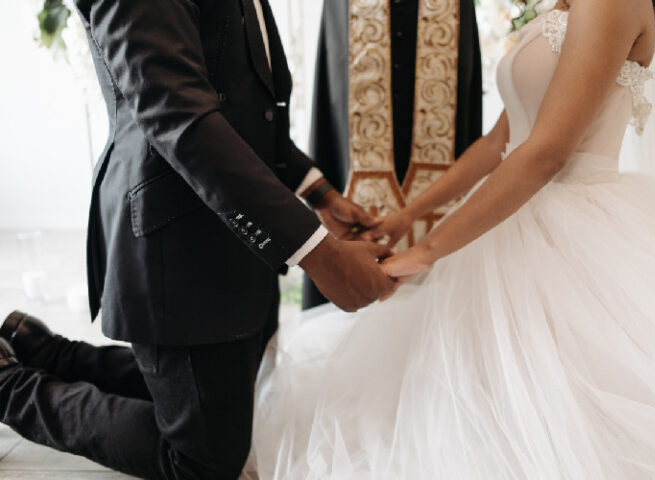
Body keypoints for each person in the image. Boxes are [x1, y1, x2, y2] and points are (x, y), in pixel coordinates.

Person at [251, 0, 655, 477]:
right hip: (513, 221)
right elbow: (501, 140)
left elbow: (547, 152)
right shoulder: (563, 5)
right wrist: (410, 216)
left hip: (575, 238)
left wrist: (426, 253)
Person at [0, 0, 394, 478]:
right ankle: (10, 387)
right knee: (203, 462)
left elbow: (247, 109)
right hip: (177, 243)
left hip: (235, 230)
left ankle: (46, 351)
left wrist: (318, 191)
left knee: (224, 393)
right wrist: (320, 253)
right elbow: (179, 115)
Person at [302, 0, 484, 309]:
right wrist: (319, 192)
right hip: (356, 191)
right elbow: (329, 99)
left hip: (443, 191)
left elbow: (468, 102)